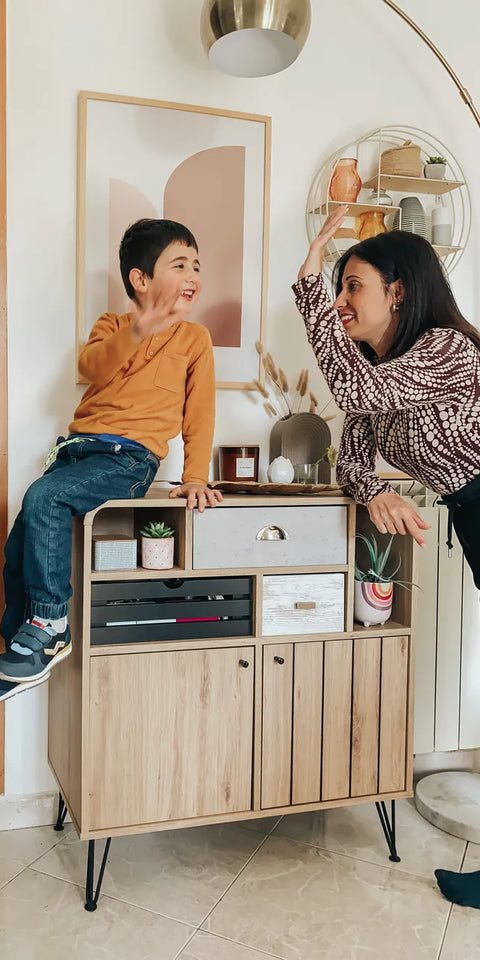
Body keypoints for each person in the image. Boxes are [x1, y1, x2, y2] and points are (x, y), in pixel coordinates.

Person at [294, 206, 480, 910]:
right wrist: (373, 496)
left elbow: (358, 392)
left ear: (397, 291)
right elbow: (354, 456)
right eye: (337, 289)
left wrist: (310, 284)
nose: (342, 304)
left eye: (353, 288)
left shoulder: (444, 351)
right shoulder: (384, 371)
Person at [0, 217, 222, 710]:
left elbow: (200, 413)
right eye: (180, 264)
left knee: (45, 497)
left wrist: (194, 477)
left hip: (131, 459)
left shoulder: (195, 340)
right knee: (19, 543)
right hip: (80, 451)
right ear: (140, 280)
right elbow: (92, 367)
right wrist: (140, 329)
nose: (193, 274)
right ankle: (17, 650)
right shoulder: (113, 326)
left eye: (196, 266)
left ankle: (49, 625)